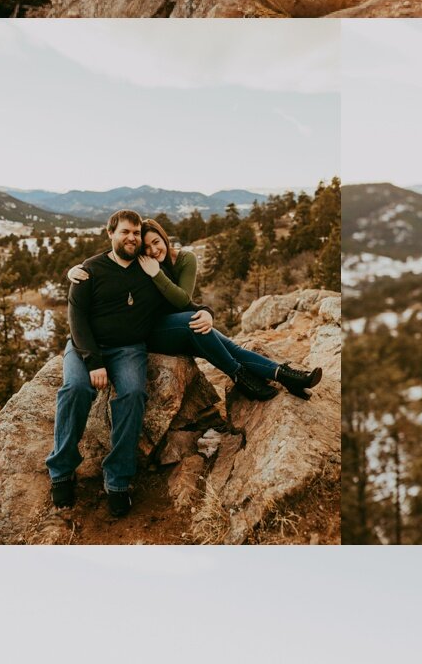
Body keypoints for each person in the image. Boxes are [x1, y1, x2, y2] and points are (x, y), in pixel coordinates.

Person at [69, 219, 321, 405]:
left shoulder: (180, 261)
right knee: (198, 326)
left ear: (164, 238)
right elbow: (107, 261)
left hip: (176, 321)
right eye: (146, 247)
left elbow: (183, 300)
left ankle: (285, 375)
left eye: (156, 242)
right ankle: (240, 375)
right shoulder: (144, 265)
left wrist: (206, 311)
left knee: (221, 340)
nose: (153, 250)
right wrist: (72, 271)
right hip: (152, 330)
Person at [46, 208, 158, 518]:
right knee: (75, 390)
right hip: (86, 347)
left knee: (134, 394)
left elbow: (177, 296)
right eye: (124, 231)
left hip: (129, 349)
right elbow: (76, 321)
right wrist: (94, 361)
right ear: (110, 234)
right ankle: (61, 471)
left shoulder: (149, 269)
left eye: (136, 233)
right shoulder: (88, 271)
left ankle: (118, 479)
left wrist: (201, 311)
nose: (131, 238)